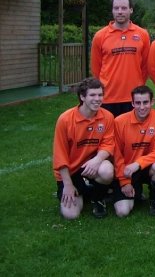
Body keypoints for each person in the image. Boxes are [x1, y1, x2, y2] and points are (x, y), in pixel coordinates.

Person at [52, 78, 114, 219]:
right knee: (71, 215)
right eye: (92, 95)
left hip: (91, 167)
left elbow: (108, 145)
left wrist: (97, 160)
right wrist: (67, 184)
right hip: (71, 172)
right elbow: (60, 155)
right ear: (82, 97)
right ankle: (82, 191)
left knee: (107, 170)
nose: (97, 99)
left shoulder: (107, 117)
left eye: (100, 95)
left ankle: (97, 199)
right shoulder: (65, 120)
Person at [91, 0, 150, 117]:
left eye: (124, 8)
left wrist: (138, 84)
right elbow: (96, 68)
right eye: (116, 8)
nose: (120, 11)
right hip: (108, 98)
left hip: (134, 98)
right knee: (109, 135)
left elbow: (146, 66)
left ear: (131, 10)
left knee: (131, 135)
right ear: (112, 10)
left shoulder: (142, 34)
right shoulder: (100, 36)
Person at [112, 85, 155, 217]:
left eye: (145, 102)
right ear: (132, 103)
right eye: (138, 103)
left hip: (148, 167)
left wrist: (139, 163)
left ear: (152, 102)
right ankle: (133, 192)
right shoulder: (120, 121)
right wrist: (124, 182)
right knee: (122, 212)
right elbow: (117, 155)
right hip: (127, 171)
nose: (142, 107)